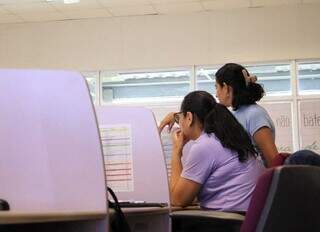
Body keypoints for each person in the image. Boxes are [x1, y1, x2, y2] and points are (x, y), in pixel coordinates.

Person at [159, 90, 264, 211]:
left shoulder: (204, 146)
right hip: (243, 219)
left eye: (179, 118)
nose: (179, 124)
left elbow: (177, 199)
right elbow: (189, 196)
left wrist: (177, 151)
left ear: (189, 117)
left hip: (225, 221)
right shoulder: (225, 138)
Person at [214, 63, 277, 167]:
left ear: (226, 88)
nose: (216, 94)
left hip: (258, 180)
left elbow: (273, 160)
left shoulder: (255, 114)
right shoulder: (233, 114)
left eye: (217, 87)